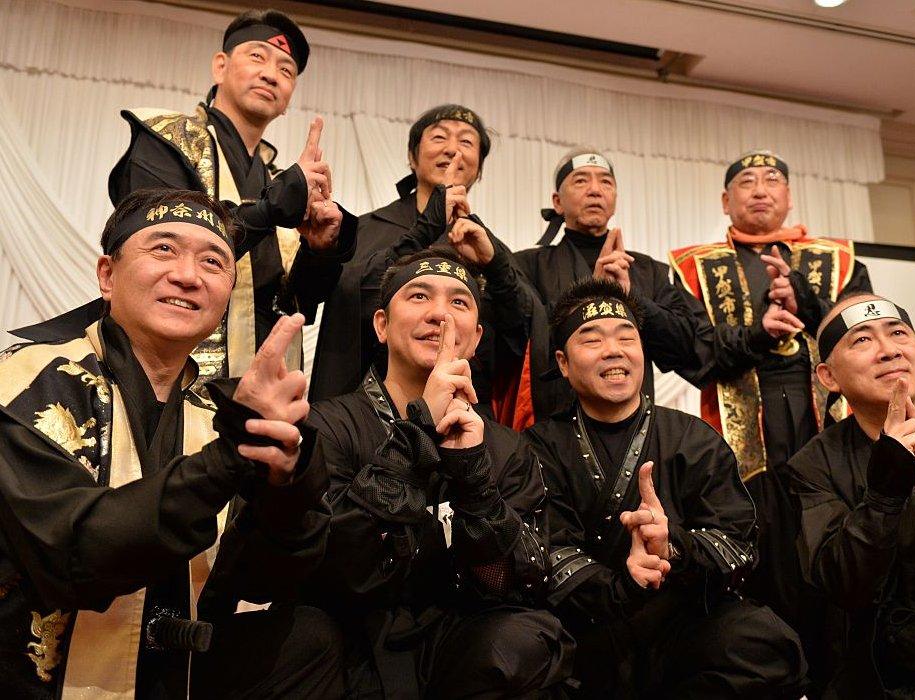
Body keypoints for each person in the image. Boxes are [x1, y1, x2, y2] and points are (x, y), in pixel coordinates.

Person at [0, 189, 336, 698]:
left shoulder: (212, 411)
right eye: (163, 249)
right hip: (25, 678)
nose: (188, 275)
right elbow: (73, 555)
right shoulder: (27, 379)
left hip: (169, 671)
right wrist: (228, 459)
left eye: (213, 261)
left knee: (315, 641)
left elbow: (263, 581)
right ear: (107, 276)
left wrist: (283, 481)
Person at [302, 247, 573, 697]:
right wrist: (417, 428)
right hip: (348, 643)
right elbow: (331, 565)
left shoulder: (506, 446)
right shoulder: (328, 424)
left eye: (459, 303)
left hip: (460, 649)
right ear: (382, 325)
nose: (440, 316)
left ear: (476, 337)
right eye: (419, 297)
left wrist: (473, 479)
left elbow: (514, 584)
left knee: (529, 639)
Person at [525, 278, 806, 698]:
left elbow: (739, 540)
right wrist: (622, 585)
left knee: (760, 639)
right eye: (592, 340)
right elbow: (547, 549)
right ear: (563, 363)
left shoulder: (693, 438)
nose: (614, 350)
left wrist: (672, 545)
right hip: (588, 627)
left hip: (683, 623)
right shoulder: (539, 447)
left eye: (626, 337)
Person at [669, 151, 873, 662]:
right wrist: (758, 335)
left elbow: (868, 342)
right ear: (725, 200)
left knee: (838, 551)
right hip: (741, 448)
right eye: (746, 181)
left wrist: (809, 305)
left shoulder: (839, 260)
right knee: (762, 562)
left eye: (772, 180)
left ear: (788, 196)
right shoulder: (693, 266)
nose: (760, 189)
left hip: (825, 427)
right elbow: (694, 355)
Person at [109, 9, 357, 386]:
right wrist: (275, 205)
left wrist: (318, 250)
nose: (271, 74)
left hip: (267, 383)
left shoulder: (277, 178)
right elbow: (165, 252)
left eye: (286, 71)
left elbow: (295, 304)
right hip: (171, 375)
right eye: (257, 56)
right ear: (220, 66)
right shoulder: (167, 139)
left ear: (289, 98)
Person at [789, 294, 915, 698]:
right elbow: (843, 585)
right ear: (828, 377)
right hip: (893, 671)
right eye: (862, 341)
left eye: (898, 333)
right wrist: (887, 488)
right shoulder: (814, 465)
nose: (889, 350)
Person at [309, 105, 534, 421]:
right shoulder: (368, 228)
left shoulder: (490, 249)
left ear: (479, 169)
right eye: (439, 137)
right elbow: (351, 303)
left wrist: (494, 265)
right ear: (412, 158)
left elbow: (520, 340)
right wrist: (427, 227)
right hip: (368, 417)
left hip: (462, 418)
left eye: (467, 142)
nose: (452, 149)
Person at [514, 148, 708, 424]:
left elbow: (689, 347)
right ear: (557, 202)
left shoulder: (648, 270)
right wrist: (592, 292)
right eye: (581, 180)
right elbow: (523, 341)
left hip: (635, 425)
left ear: (615, 200)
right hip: (555, 426)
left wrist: (631, 298)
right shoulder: (528, 266)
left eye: (605, 182)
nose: (595, 190)